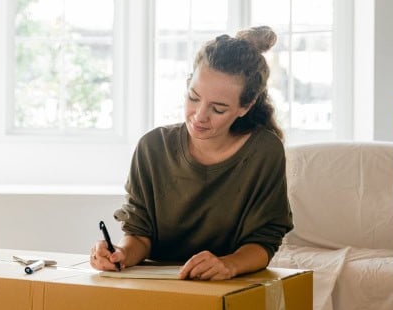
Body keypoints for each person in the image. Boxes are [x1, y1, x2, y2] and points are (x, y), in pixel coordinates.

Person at [90, 26, 293, 281]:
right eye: (194, 97)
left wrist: (228, 264)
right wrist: (120, 254)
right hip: (157, 286)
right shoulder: (152, 147)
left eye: (218, 109)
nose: (199, 117)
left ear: (246, 106)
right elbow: (140, 234)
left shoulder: (264, 152)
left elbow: (265, 240)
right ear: (188, 84)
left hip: (229, 285)